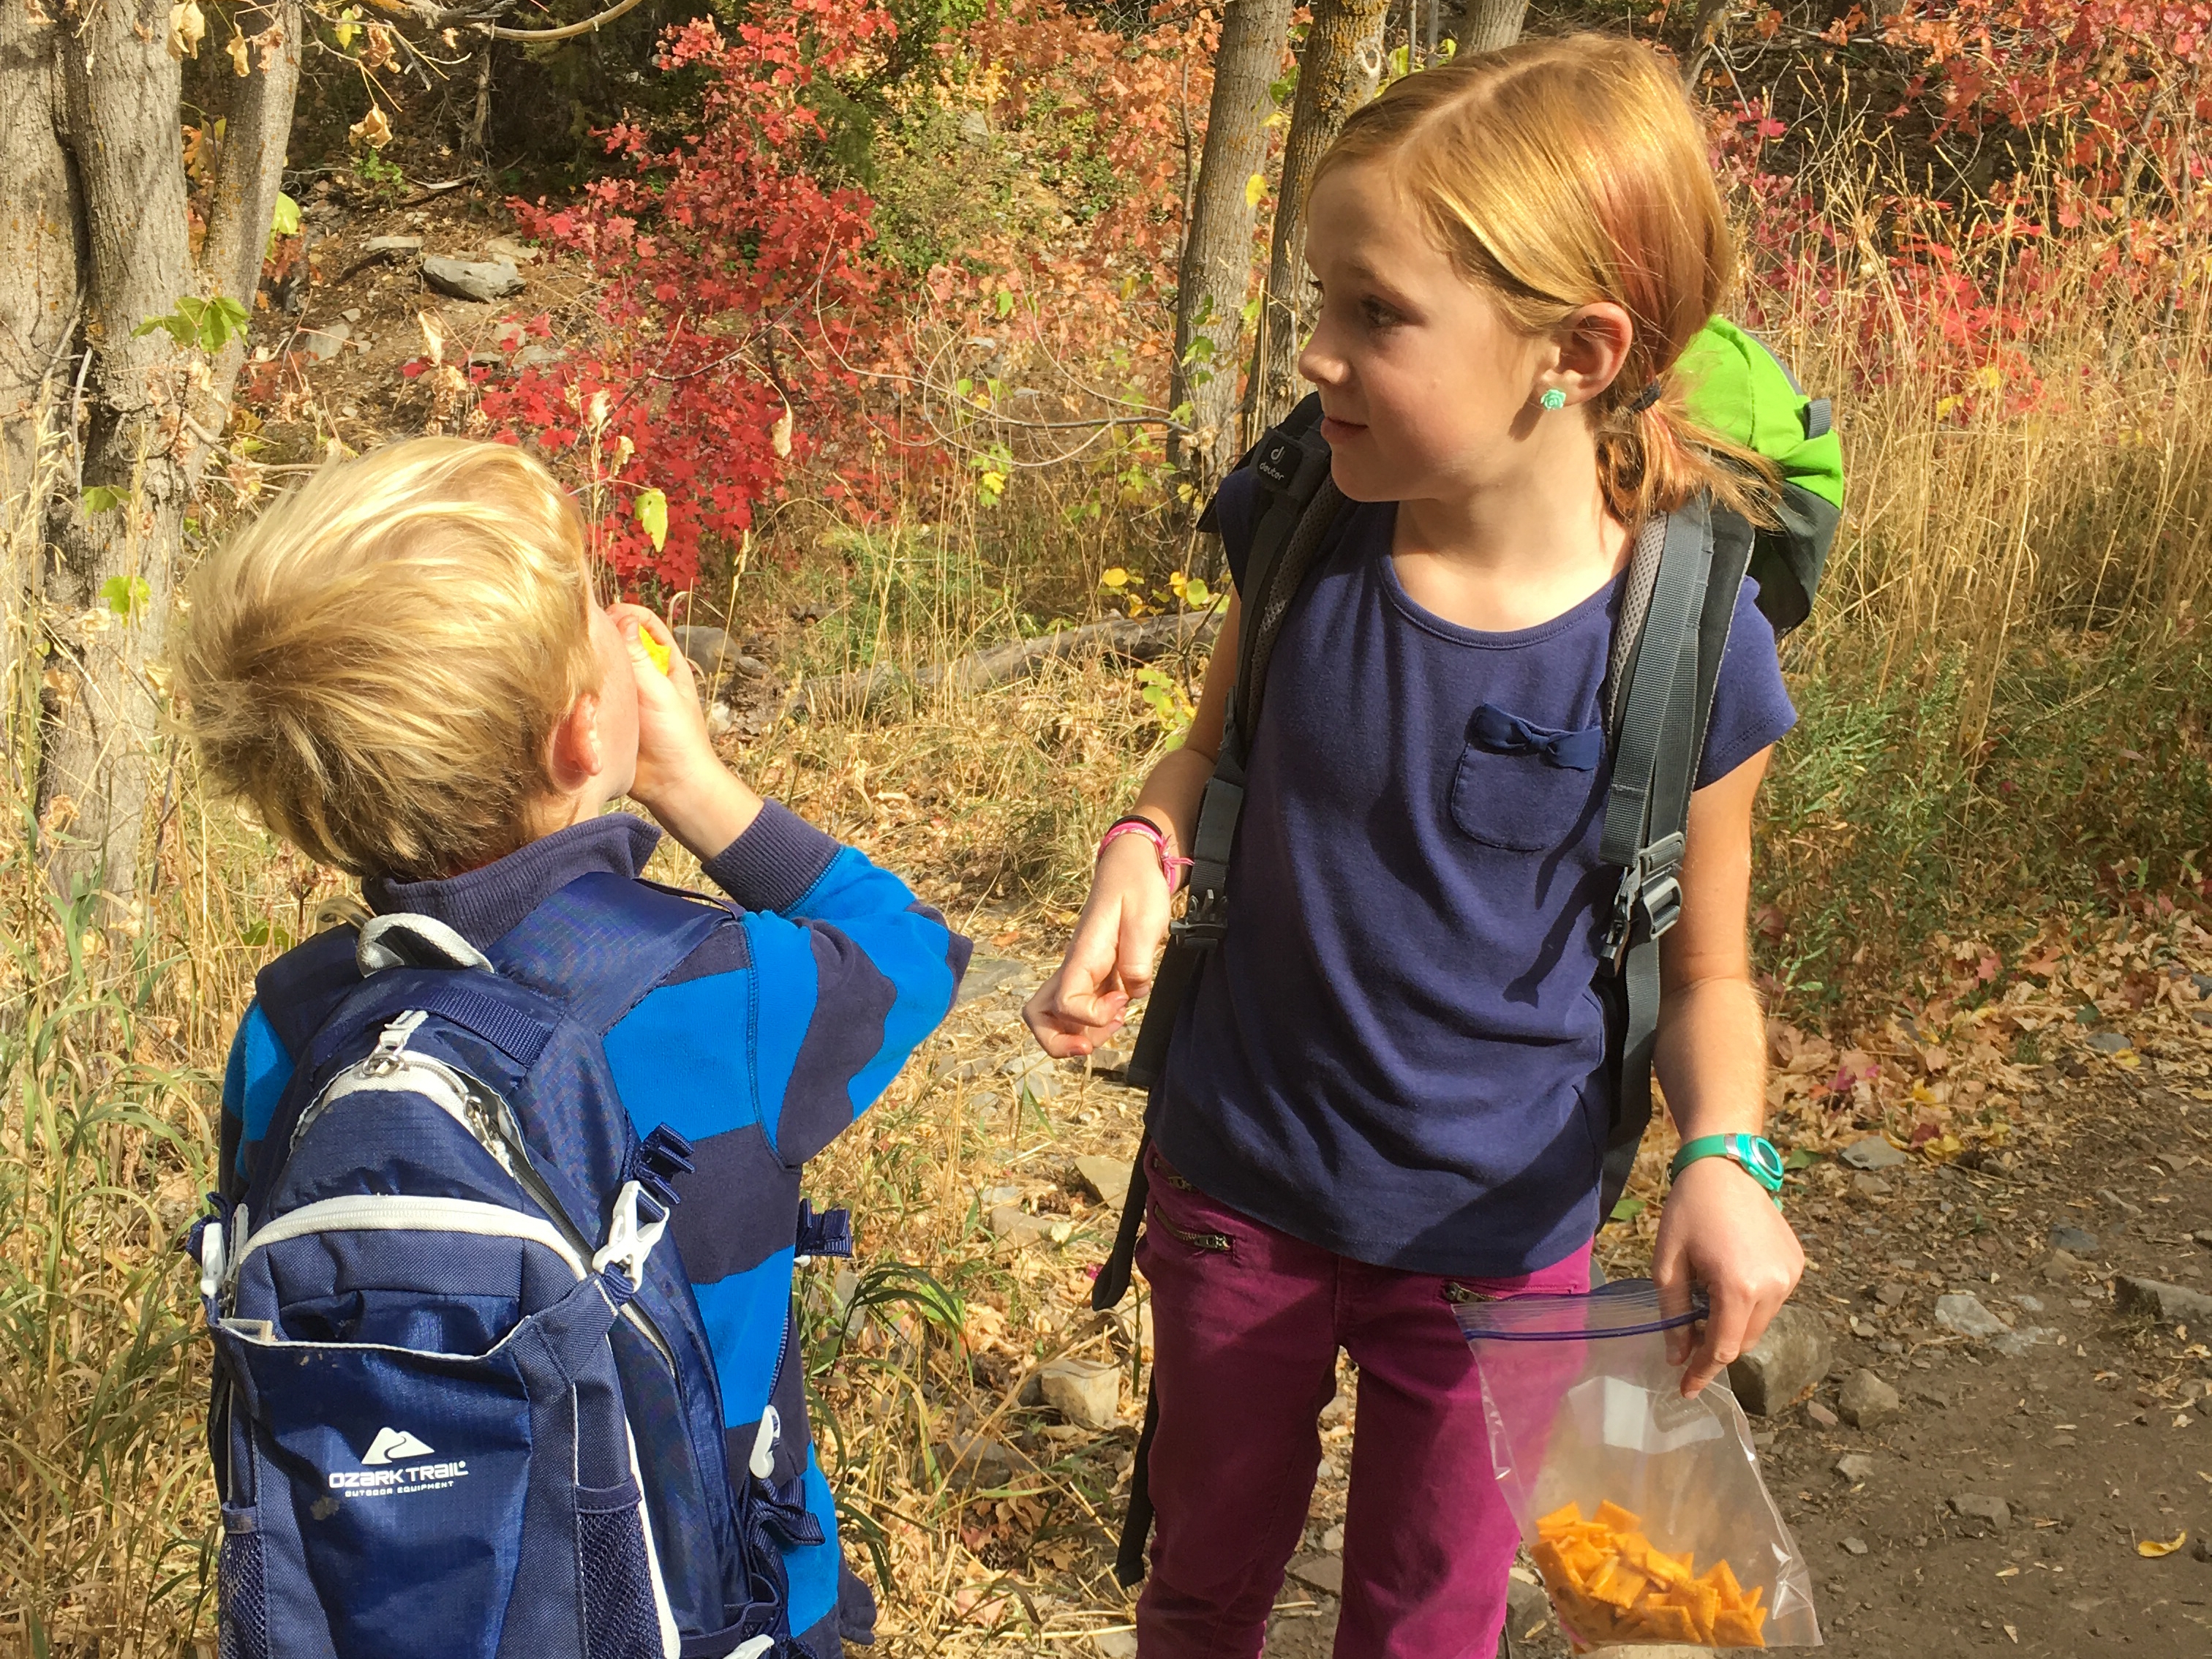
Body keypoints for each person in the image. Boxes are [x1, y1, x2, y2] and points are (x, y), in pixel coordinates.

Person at [1023, 34, 1806, 1659]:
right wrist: (1139, 849)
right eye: (1318, 302)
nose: (1312, 356)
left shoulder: (1685, 642)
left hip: (1494, 1253)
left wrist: (1725, 1154)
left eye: (1372, 315)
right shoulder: (1304, 526)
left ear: (1574, 351)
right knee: (1199, 1579)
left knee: (1422, 1622)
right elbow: (1202, 756)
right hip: (1236, 1185)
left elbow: (1710, 963)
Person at [178, 437, 969, 1658]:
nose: (620, 612)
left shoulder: (289, 1022)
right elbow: (915, 950)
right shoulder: (723, 990)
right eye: (597, 604)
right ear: (581, 733)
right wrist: (695, 783)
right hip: (720, 1623)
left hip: (374, 1608)